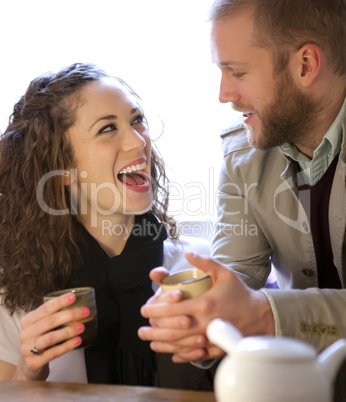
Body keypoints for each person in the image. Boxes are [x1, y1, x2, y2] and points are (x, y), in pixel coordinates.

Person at [138, 0, 345, 398]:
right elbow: (234, 271)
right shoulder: (243, 153)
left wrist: (263, 314)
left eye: (237, 72)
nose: (224, 94)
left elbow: (254, 310)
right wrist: (195, 315)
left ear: (305, 65)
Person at [0, 63, 215, 390]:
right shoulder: (13, 294)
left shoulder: (198, 268)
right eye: (107, 129)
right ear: (61, 167)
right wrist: (27, 376)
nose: (138, 141)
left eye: (137, 120)